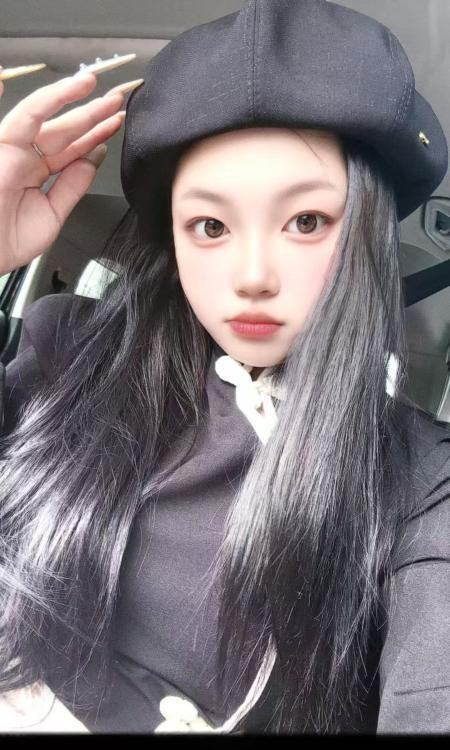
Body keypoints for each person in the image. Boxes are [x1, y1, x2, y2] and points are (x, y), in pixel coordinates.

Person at [0, 0, 449, 735]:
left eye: (306, 221)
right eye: (210, 225)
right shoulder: (68, 356)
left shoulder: (421, 482)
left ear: (368, 236)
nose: (251, 276)